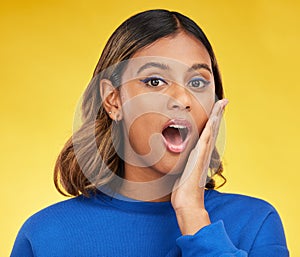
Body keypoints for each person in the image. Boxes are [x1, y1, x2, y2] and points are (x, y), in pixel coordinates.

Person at [10, 9, 289, 257]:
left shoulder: (255, 223)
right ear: (113, 100)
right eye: (155, 81)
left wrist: (194, 218)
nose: (182, 98)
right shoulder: (46, 235)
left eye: (197, 81)